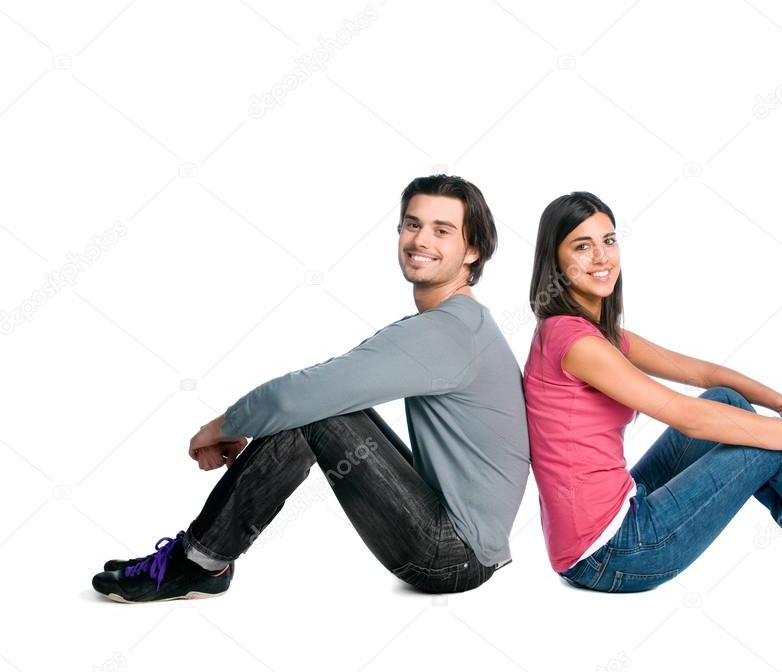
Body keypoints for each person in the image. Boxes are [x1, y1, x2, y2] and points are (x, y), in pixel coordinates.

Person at [92, 175, 531, 602]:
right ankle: (202, 559)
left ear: (472, 250)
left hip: (451, 557)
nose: (420, 240)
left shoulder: (449, 334)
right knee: (318, 403)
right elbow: (331, 380)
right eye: (413, 224)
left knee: (312, 410)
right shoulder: (457, 324)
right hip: (462, 544)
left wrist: (221, 426)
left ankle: (199, 563)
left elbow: (297, 397)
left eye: (442, 230)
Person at [523, 191, 782, 593]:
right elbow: (688, 419)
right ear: (554, 261)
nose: (602, 257)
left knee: (728, 402)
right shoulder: (577, 344)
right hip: (614, 553)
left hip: (617, 513)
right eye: (582, 246)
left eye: (609, 241)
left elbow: (702, 372)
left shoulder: (594, 334)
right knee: (759, 439)